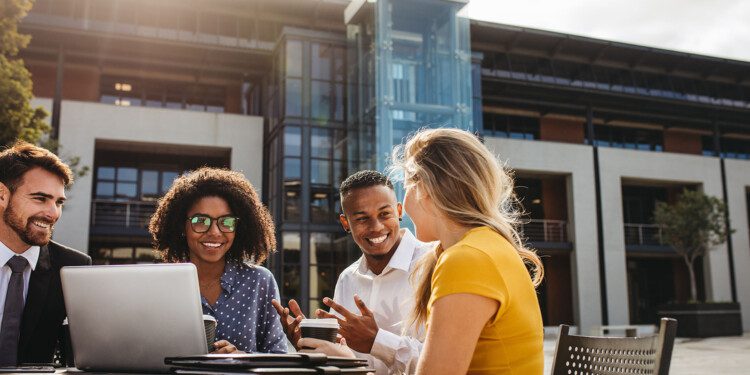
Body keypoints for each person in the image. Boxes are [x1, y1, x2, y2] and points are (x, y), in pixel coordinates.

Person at [393, 128, 545, 374]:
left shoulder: (466, 260)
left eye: (408, 184)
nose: (404, 198)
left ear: (426, 188)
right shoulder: (487, 247)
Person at [272, 170, 431, 374]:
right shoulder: (347, 279)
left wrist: (377, 341)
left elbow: (447, 361)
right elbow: (342, 360)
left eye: (385, 214)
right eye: (362, 219)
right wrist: (312, 345)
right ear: (345, 223)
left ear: (398, 211)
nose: (376, 227)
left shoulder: (432, 263)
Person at [149, 167, 286, 354]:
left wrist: (243, 360)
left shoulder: (259, 282)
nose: (214, 232)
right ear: (182, 226)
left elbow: (279, 357)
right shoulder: (159, 284)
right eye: (200, 221)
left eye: (226, 222)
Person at [0, 141, 91, 366]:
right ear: (2, 195)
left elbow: (81, 358)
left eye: (58, 202)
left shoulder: (73, 268)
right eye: (40, 198)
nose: (53, 213)